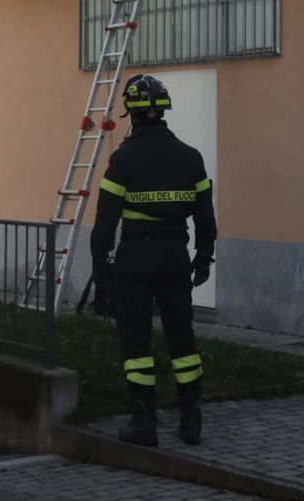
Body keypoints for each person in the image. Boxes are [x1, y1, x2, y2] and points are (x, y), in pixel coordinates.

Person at [90, 74, 216, 447]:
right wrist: (204, 257)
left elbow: (105, 223)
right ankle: (191, 423)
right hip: (176, 257)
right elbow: (206, 217)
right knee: (182, 338)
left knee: (136, 341)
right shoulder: (190, 157)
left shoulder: (123, 159)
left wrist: (101, 270)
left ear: (130, 110)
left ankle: (143, 425)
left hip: (136, 257)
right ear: (162, 110)